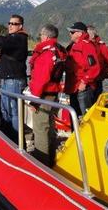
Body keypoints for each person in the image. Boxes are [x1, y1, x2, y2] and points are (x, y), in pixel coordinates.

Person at [28, 24, 67, 167]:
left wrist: (34, 101)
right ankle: (50, 159)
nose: (40, 37)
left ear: (45, 36)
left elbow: (41, 78)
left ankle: (41, 163)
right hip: (54, 94)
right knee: (50, 127)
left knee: (40, 129)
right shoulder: (59, 50)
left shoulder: (46, 53)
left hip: (44, 96)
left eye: (41, 35)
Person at [64, 22, 101, 117]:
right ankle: (75, 131)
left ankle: (85, 132)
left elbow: (94, 67)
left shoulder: (86, 46)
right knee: (74, 115)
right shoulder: (73, 46)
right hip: (73, 86)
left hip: (83, 88)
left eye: (72, 32)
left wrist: (84, 82)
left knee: (85, 116)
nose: (70, 34)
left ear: (80, 33)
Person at [87, 25, 108, 103]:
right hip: (85, 82)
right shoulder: (83, 46)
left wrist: (101, 76)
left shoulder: (102, 47)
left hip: (96, 82)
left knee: (93, 103)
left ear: (91, 35)